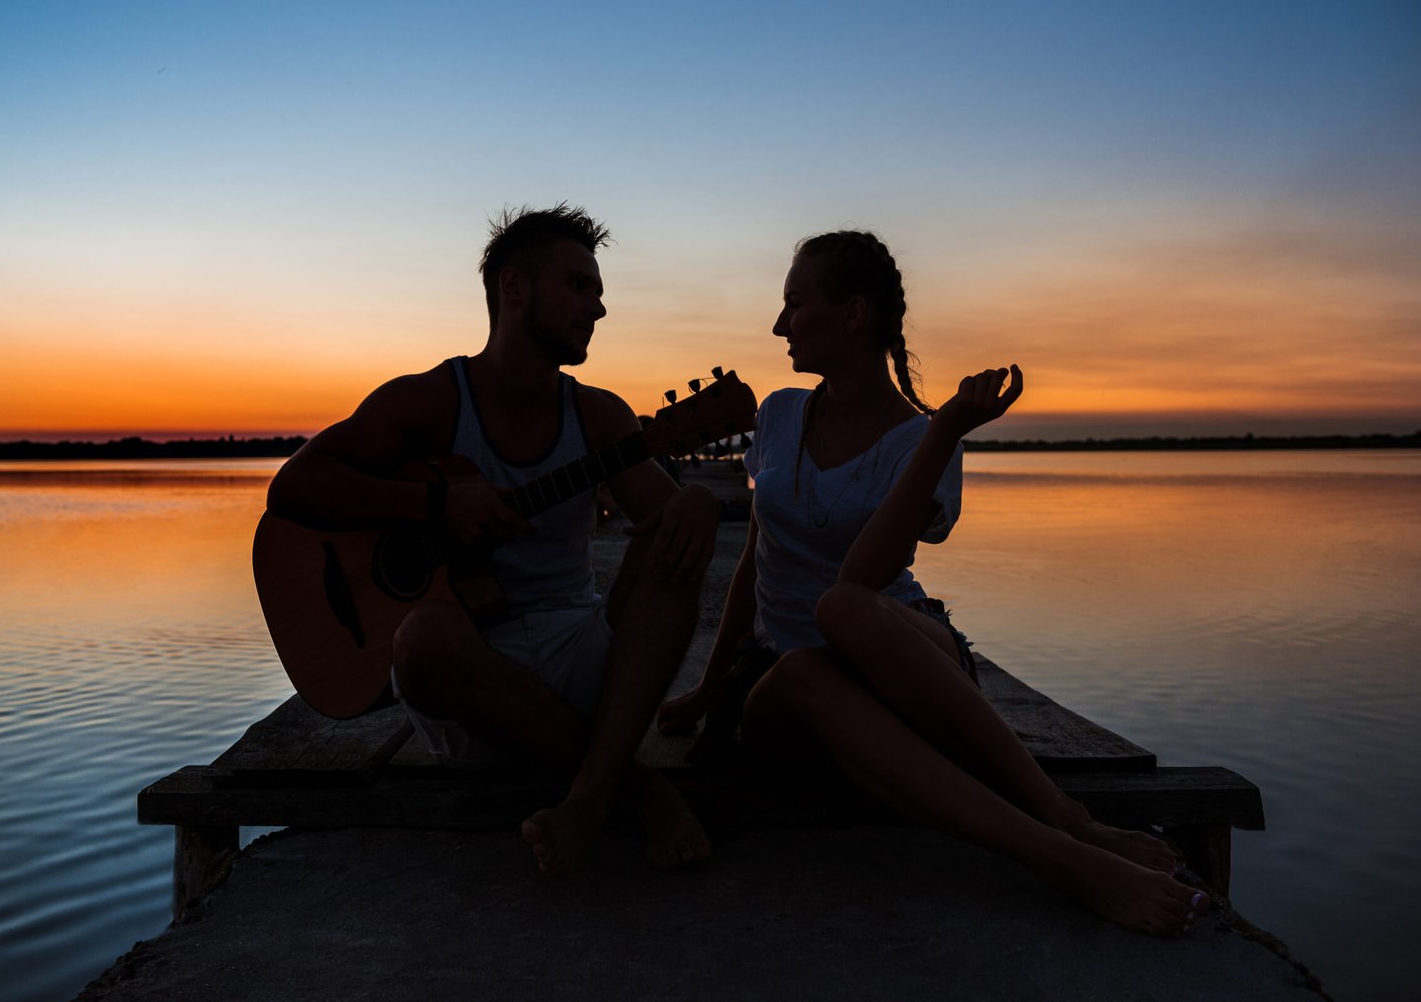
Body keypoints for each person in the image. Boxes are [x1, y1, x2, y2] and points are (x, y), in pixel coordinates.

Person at [658, 230, 1208, 936]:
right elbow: (755, 559)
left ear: (852, 314)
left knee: (845, 609)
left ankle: (1064, 815)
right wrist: (710, 686)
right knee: (805, 668)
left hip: (900, 658)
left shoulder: (921, 441)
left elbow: (863, 580)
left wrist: (946, 430)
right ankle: (1060, 855)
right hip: (787, 682)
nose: (778, 325)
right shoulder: (780, 415)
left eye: (794, 304)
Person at [268, 204, 716, 877]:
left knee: (671, 545)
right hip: (468, 689)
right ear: (514, 288)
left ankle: (590, 794)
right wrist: (435, 502)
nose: (597, 308)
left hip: (579, 659)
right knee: (421, 636)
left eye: (598, 291)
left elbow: (669, 528)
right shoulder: (428, 402)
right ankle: (634, 787)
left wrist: (701, 501)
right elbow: (295, 488)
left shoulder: (598, 415)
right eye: (578, 286)